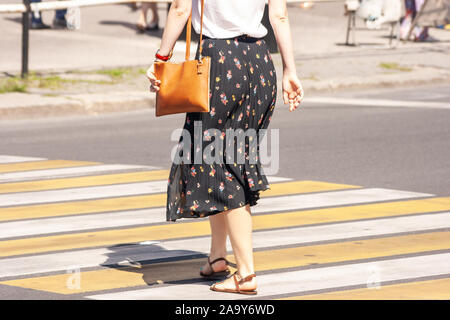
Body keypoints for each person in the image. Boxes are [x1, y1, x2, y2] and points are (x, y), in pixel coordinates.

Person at [147, 0, 304, 295]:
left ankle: (246, 274)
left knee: (222, 163)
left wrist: (161, 58)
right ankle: (218, 257)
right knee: (221, 159)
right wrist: (290, 70)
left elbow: (180, 8)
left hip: (219, 61)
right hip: (260, 62)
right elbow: (279, 15)